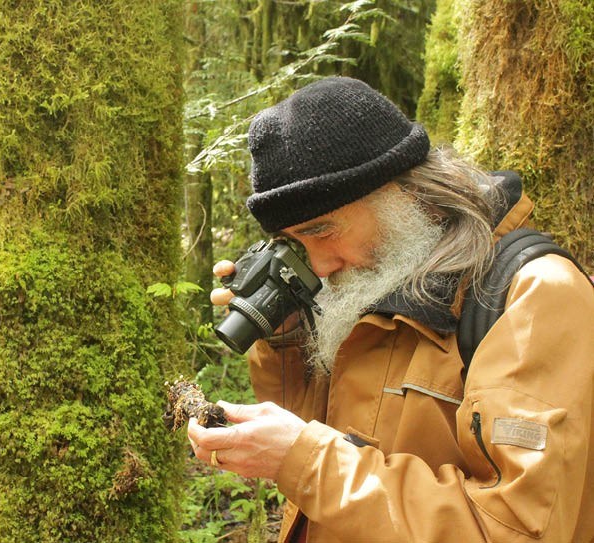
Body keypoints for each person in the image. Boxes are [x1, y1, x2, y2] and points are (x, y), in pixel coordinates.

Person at [187, 76, 594, 543]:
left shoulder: (534, 298)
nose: (316, 265)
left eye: (322, 231)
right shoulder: (370, 285)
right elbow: (329, 444)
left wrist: (304, 460)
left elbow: (517, 529)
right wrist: (286, 337)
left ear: (402, 191)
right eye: (293, 244)